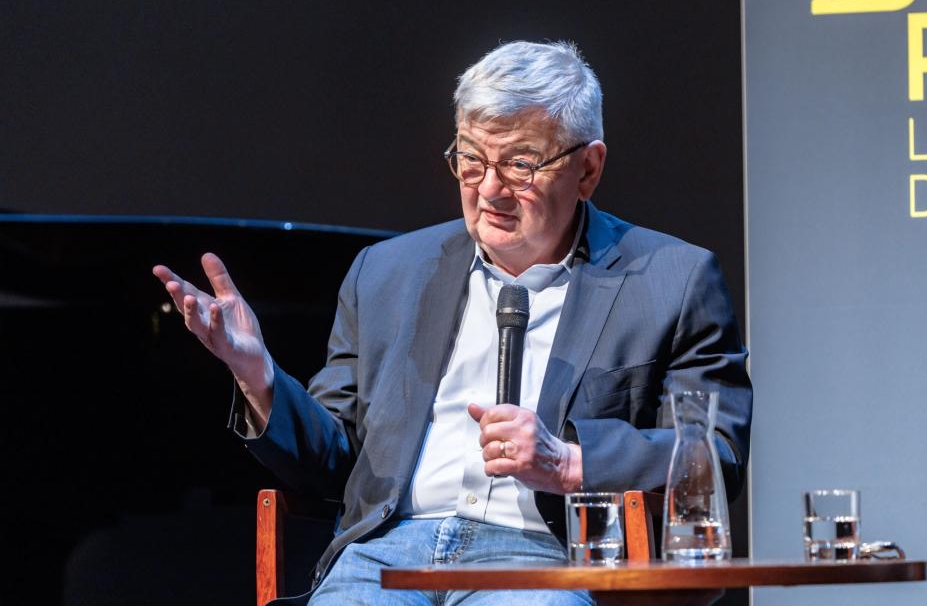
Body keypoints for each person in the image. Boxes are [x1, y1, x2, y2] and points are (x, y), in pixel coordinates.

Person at [153, 40, 752, 605]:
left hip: (544, 555)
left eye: (520, 164)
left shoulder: (671, 279)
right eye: (470, 159)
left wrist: (569, 462)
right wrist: (259, 377)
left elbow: (715, 455)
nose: (489, 190)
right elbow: (336, 461)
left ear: (587, 169)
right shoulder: (387, 272)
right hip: (388, 555)